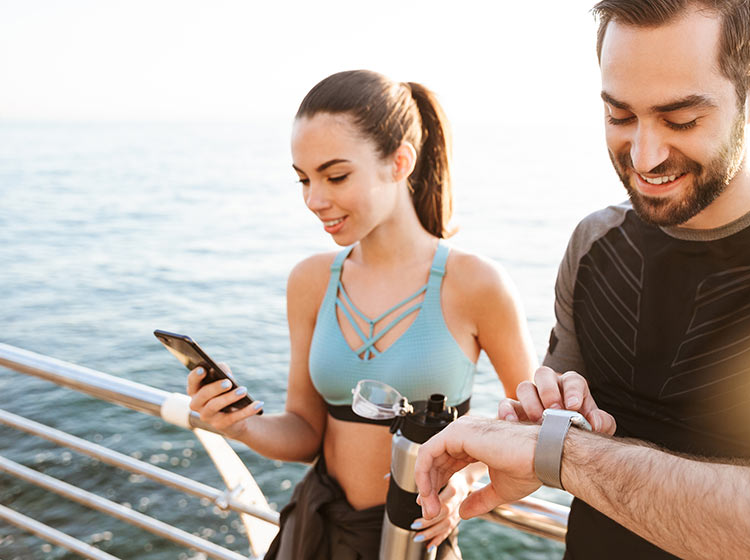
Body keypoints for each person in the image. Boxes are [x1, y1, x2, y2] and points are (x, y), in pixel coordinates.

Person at [415, 1, 750, 558]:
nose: (645, 156)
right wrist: (527, 442)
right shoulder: (593, 244)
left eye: (681, 119)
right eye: (619, 116)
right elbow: (553, 420)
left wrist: (563, 455)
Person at [187, 69, 537, 559]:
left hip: (413, 541)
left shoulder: (477, 283)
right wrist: (240, 425)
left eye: (335, 176)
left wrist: (466, 481)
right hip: (315, 535)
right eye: (304, 180)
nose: (314, 200)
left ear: (400, 162)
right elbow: (307, 432)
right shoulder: (310, 282)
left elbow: (528, 430)